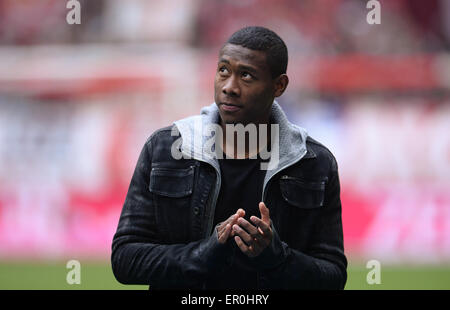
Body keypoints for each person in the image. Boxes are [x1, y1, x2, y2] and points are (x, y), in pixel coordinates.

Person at [111, 26, 347, 289]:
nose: (229, 87)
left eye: (246, 75)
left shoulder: (313, 163)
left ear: (279, 86)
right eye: (223, 70)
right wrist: (202, 254)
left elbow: (334, 276)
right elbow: (125, 259)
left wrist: (277, 258)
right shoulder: (165, 148)